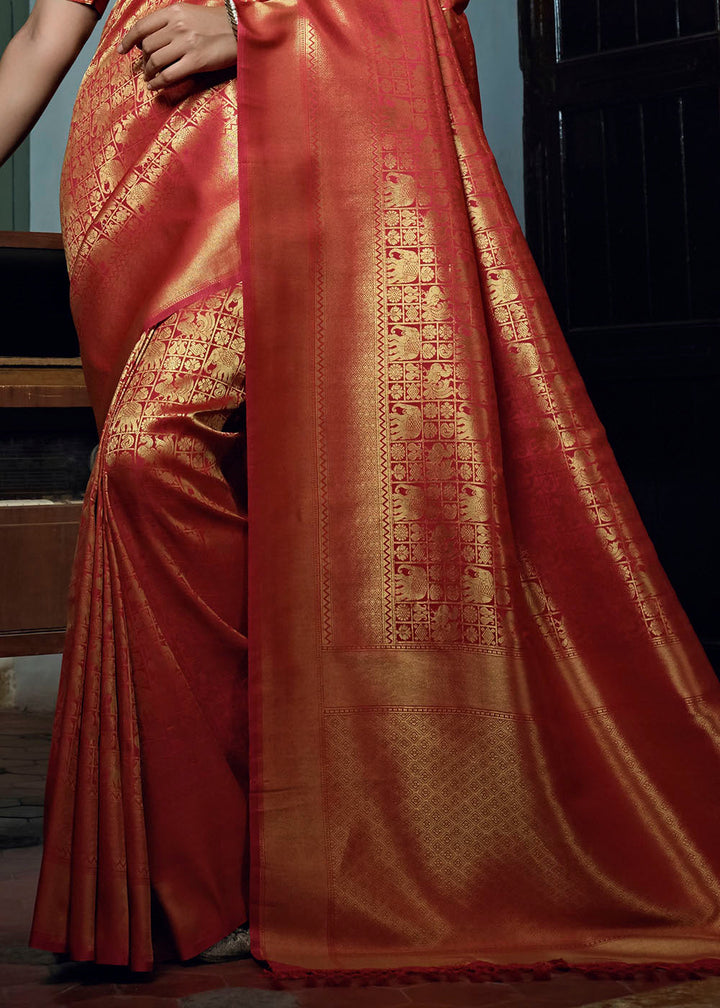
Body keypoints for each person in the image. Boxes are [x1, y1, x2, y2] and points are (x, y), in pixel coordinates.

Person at [2, 0, 720, 983]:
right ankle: (229, 865)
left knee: (149, 449)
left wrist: (253, 31)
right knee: (181, 490)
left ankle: (277, 856)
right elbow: (46, 31)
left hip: (298, 158)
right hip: (138, 203)